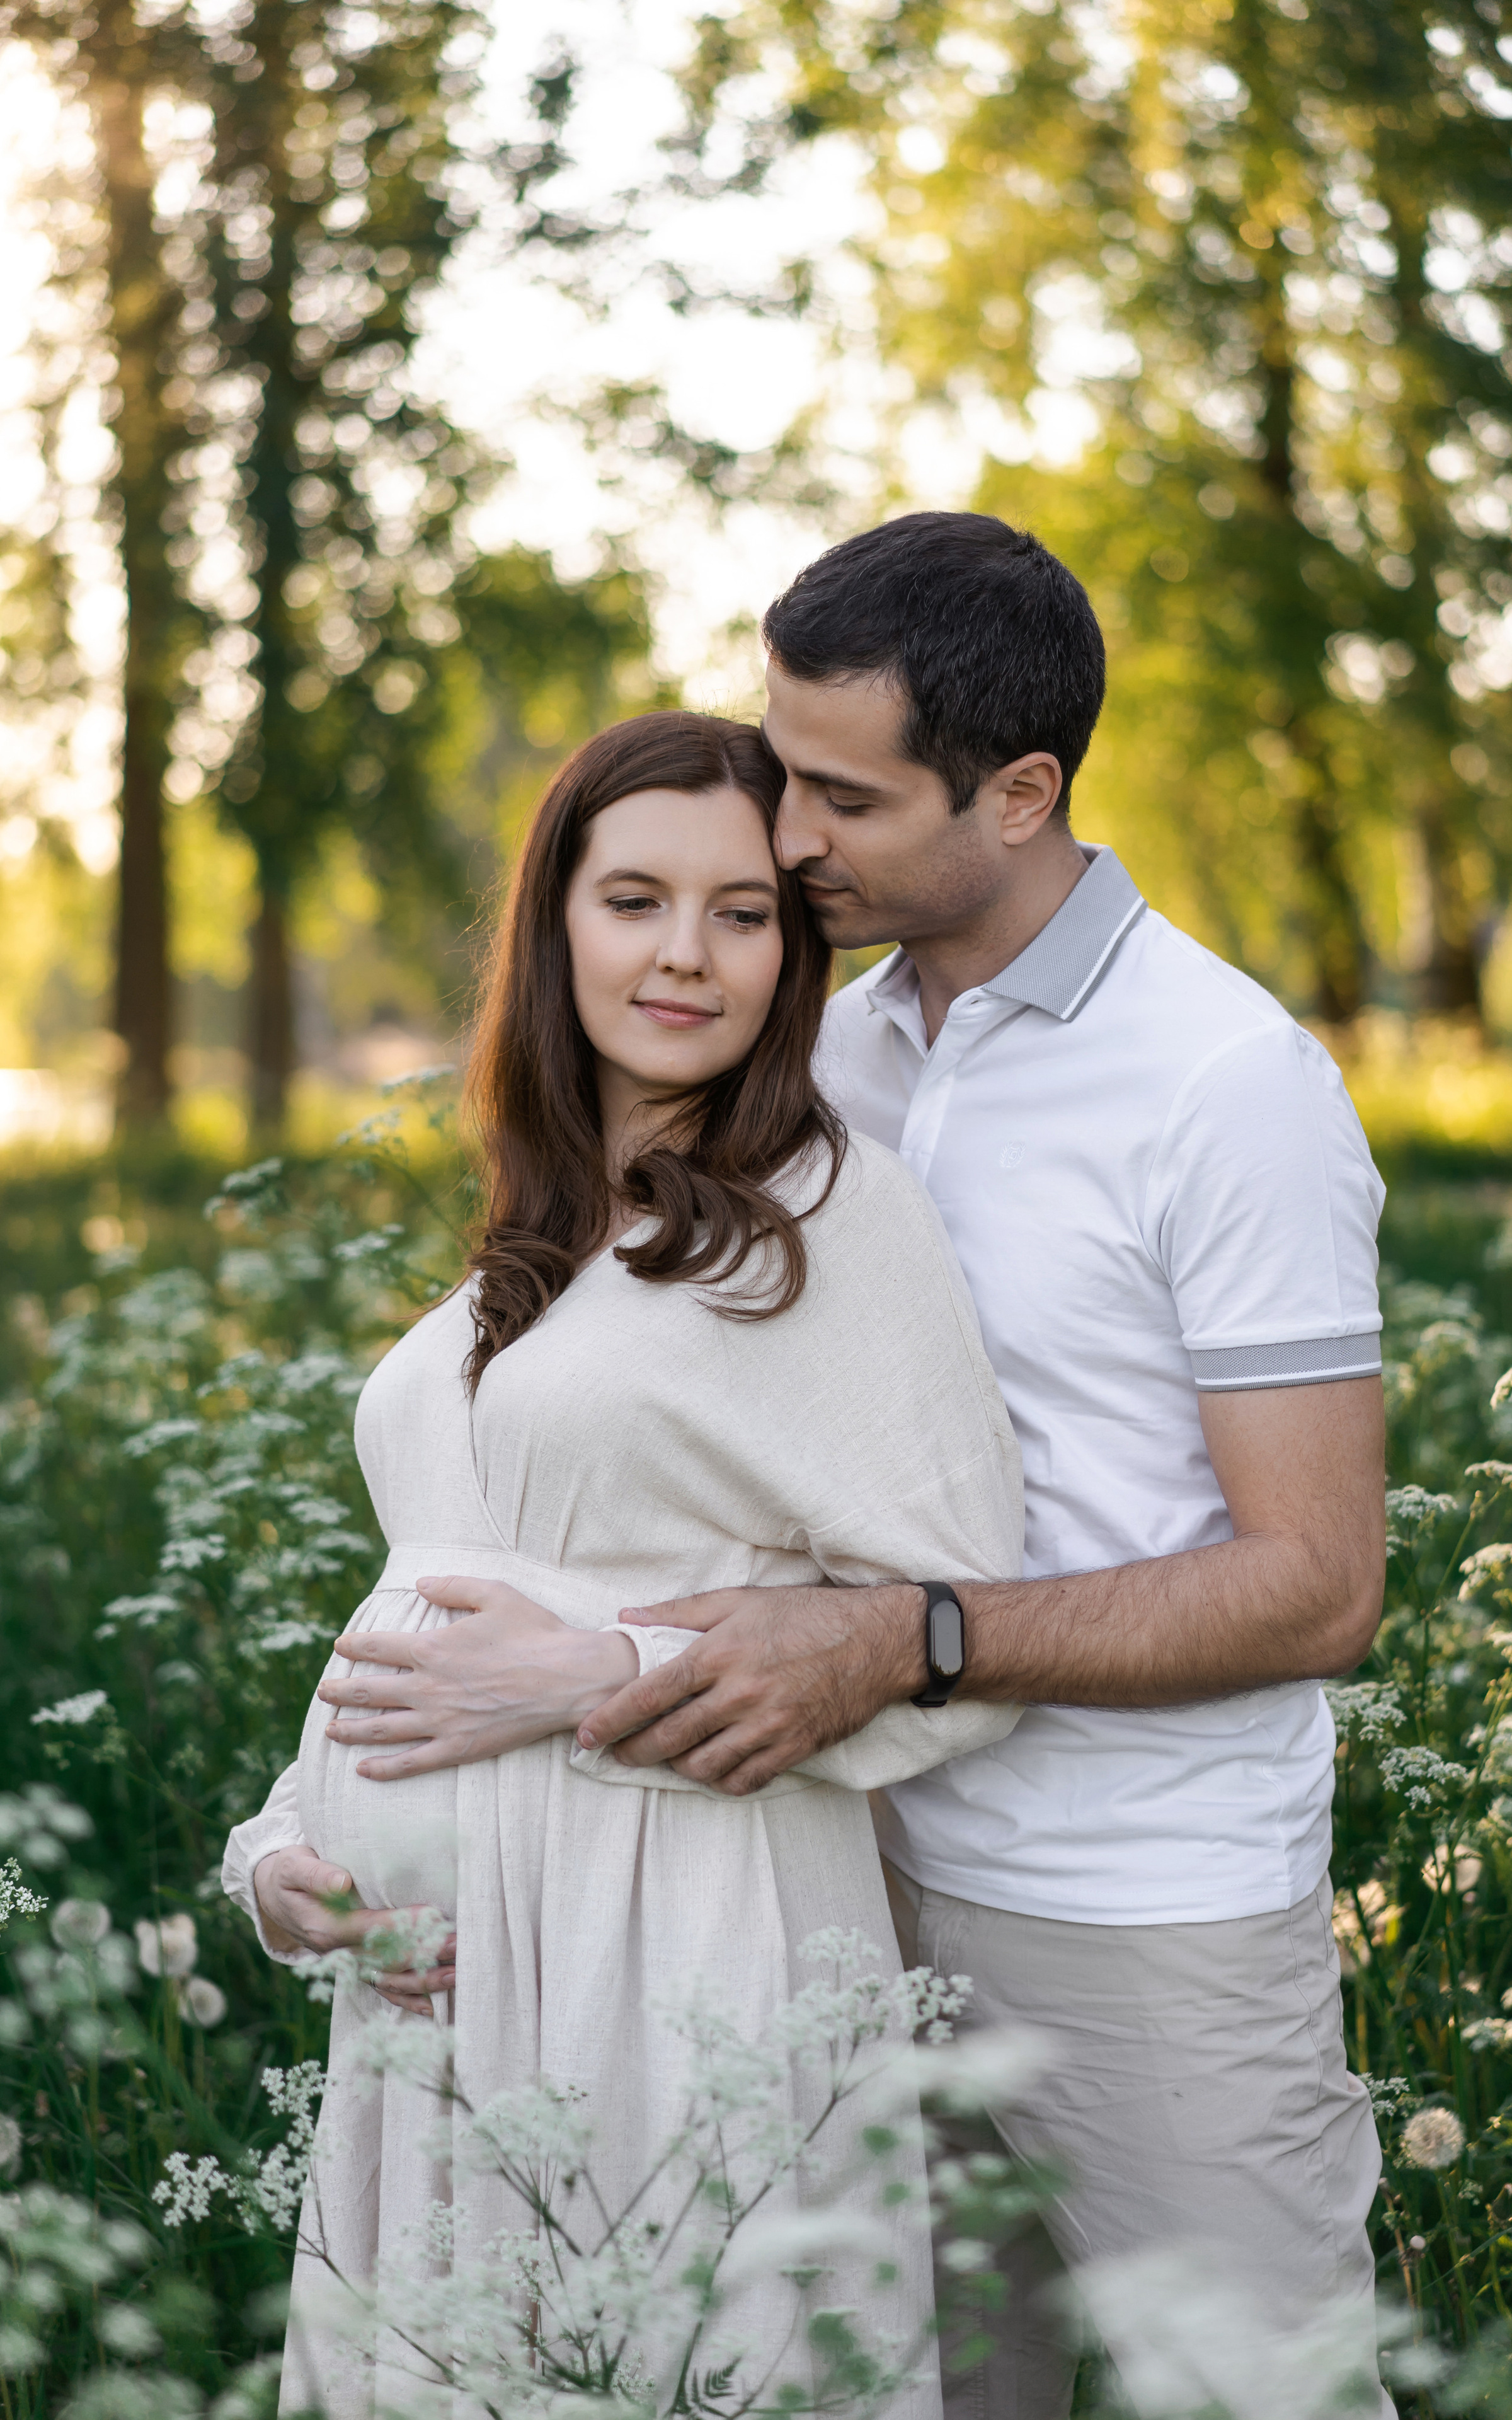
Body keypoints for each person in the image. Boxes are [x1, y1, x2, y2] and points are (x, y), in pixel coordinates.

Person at [314, 515, 1394, 2417]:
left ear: (1022, 790)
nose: (784, 840)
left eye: (839, 795)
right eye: (777, 765)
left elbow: (1319, 1581)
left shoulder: (1227, 1083)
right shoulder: (833, 1043)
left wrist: (912, 1640)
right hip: (819, 1883)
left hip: (1133, 1914)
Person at [220, 709, 1026, 2418]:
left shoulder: (828, 1213)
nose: (687, 954)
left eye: (743, 913)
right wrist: (290, 1862)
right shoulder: (541, 1224)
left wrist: (610, 1679)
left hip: (674, 1952)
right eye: (636, 898)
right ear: (554, 922)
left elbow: (961, 1630)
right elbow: (430, 1592)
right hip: (428, 2011)